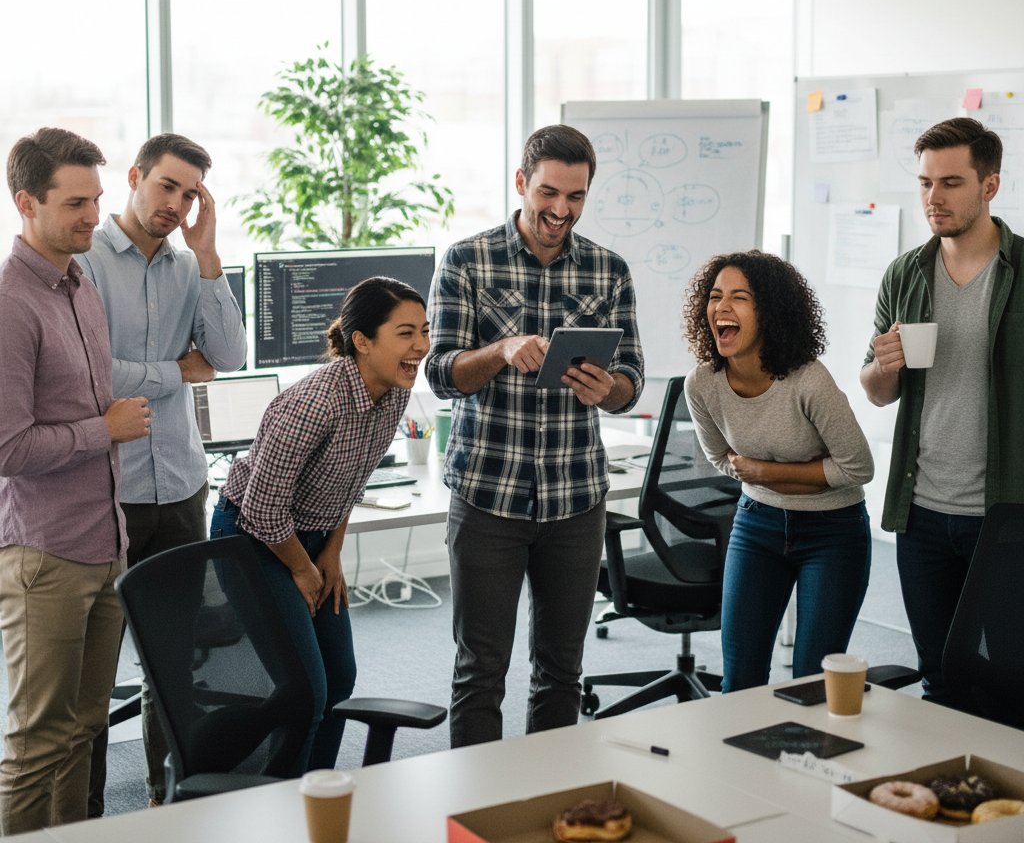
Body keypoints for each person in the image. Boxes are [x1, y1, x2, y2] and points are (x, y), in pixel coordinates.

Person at [425, 124, 645, 748]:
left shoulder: (609, 269)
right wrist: (499, 350)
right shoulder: (467, 261)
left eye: (576, 197)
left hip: (575, 498)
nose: (561, 210)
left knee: (561, 672)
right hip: (488, 495)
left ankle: (550, 794)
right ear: (521, 182)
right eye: (549, 192)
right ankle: (479, 798)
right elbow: (440, 374)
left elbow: (632, 380)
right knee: (480, 671)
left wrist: (609, 389)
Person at [79, 133, 246, 811]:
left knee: (174, 663)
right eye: (166, 185)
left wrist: (207, 257)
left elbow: (228, 356)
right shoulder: (84, 261)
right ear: (134, 177)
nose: (175, 203)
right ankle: (86, 815)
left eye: (189, 193)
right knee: (91, 677)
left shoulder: (188, 269)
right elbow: (89, 376)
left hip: (179, 486)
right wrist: (175, 373)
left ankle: (165, 802)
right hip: (104, 490)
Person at [210, 276, 429, 772]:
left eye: (424, 331)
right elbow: (263, 509)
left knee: (339, 679)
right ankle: (281, 796)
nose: (421, 346)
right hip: (252, 537)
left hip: (310, 537)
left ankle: (318, 789)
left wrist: (330, 553)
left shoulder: (393, 392)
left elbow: (352, 478)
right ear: (362, 341)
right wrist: (302, 568)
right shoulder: (315, 402)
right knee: (306, 690)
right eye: (406, 333)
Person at [0, 128, 151, 833]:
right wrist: (105, 430)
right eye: (75, 204)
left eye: (96, 199)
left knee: (85, 728)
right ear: (27, 203)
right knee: (38, 742)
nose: (94, 216)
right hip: (46, 556)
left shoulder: (80, 284)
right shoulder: (10, 304)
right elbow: (8, 448)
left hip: (105, 542)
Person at [860, 117, 1024, 707]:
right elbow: (876, 391)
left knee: (1010, 679)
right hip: (922, 509)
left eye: (951, 183)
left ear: (989, 186)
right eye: (926, 182)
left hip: (1004, 513)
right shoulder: (905, 273)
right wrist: (885, 365)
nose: (934, 197)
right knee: (938, 675)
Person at [683, 250, 873, 691]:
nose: (722, 307)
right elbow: (721, 459)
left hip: (833, 531)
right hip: (757, 525)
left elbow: (858, 467)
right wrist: (784, 478)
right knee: (740, 681)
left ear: (769, 313)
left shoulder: (808, 380)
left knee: (812, 681)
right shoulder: (702, 383)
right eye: (715, 296)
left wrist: (766, 473)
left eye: (740, 297)